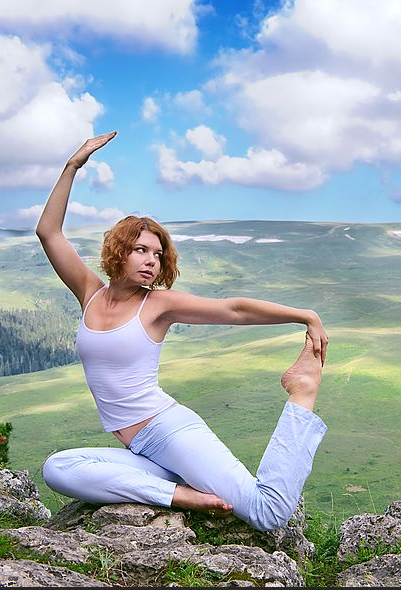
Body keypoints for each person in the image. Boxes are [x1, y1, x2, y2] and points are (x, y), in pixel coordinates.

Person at [37, 132, 328, 531]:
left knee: (267, 512)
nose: (151, 261)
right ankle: (180, 494)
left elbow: (233, 309)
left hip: (170, 432)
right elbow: (49, 233)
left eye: (158, 254)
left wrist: (304, 315)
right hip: (140, 450)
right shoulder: (90, 293)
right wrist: (72, 166)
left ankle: (303, 391)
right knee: (58, 468)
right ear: (118, 251)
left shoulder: (156, 305)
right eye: (141, 250)